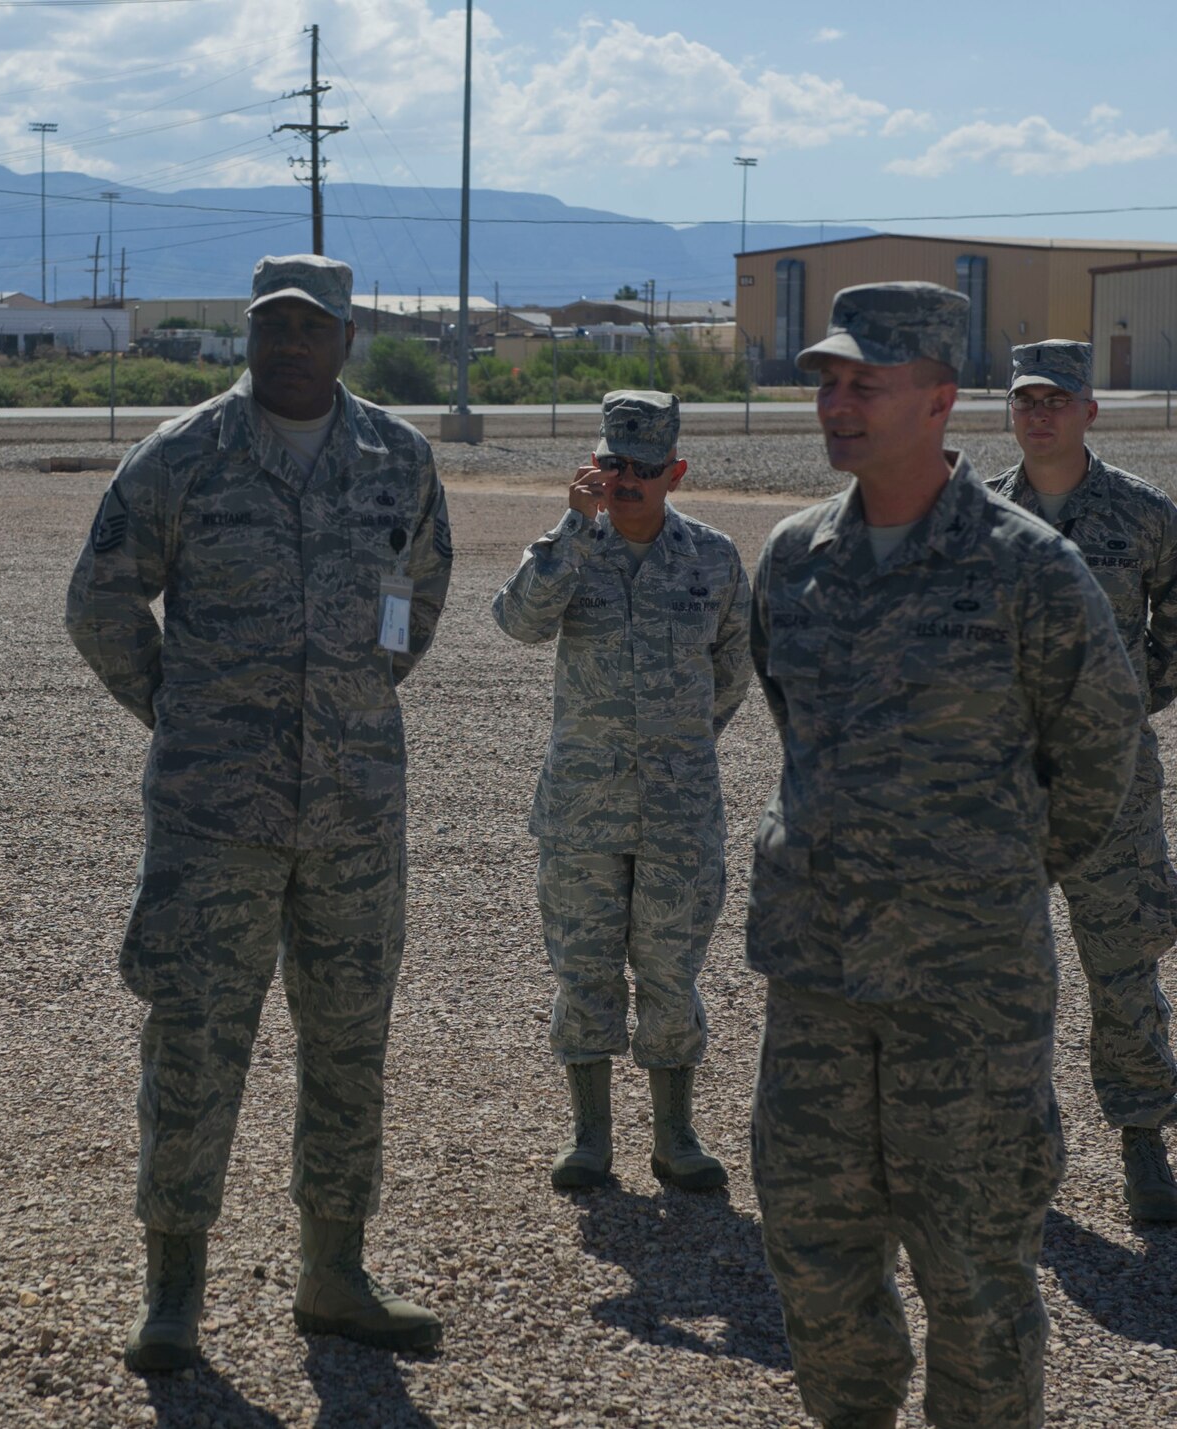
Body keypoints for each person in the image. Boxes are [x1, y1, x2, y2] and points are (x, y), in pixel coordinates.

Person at [746, 281, 1142, 1429]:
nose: (835, 402)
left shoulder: (1027, 570)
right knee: (815, 1263)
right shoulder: (792, 559)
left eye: (863, 381)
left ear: (936, 397)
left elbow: (1097, 752)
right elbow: (792, 721)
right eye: (826, 379)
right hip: (816, 983)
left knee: (972, 1276)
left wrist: (982, 876)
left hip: (963, 993)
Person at [65, 253, 452, 1370]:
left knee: (348, 1047)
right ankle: (172, 1293)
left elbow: (415, 598)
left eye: (310, 326)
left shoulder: (397, 458)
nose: (288, 342)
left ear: (347, 336)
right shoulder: (183, 456)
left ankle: (333, 1274)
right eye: (270, 324)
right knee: (190, 1043)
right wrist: (180, 708)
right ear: (249, 332)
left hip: (353, 816)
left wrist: (353, 699)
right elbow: (98, 600)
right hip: (210, 818)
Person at [493, 390, 751, 1193]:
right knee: (584, 968)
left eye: (644, 468)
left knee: (672, 971)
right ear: (594, 465)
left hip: (680, 812)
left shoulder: (713, 559)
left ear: (674, 470)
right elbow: (519, 622)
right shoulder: (571, 550)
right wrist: (571, 528)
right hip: (583, 810)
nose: (627, 480)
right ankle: (590, 1137)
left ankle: (675, 1136)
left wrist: (676, 748)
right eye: (613, 464)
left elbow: (733, 672)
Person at [986, 339, 1177, 1221]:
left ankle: (1144, 1143)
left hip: (1113, 786)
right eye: (1027, 400)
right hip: (1004, 785)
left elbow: (1173, 638)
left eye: (1057, 400)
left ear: (1090, 409)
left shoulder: (1145, 516)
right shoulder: (977, 517)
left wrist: (1115, 710)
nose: (1040, 414)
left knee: (1124, 961)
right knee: (996, 972)